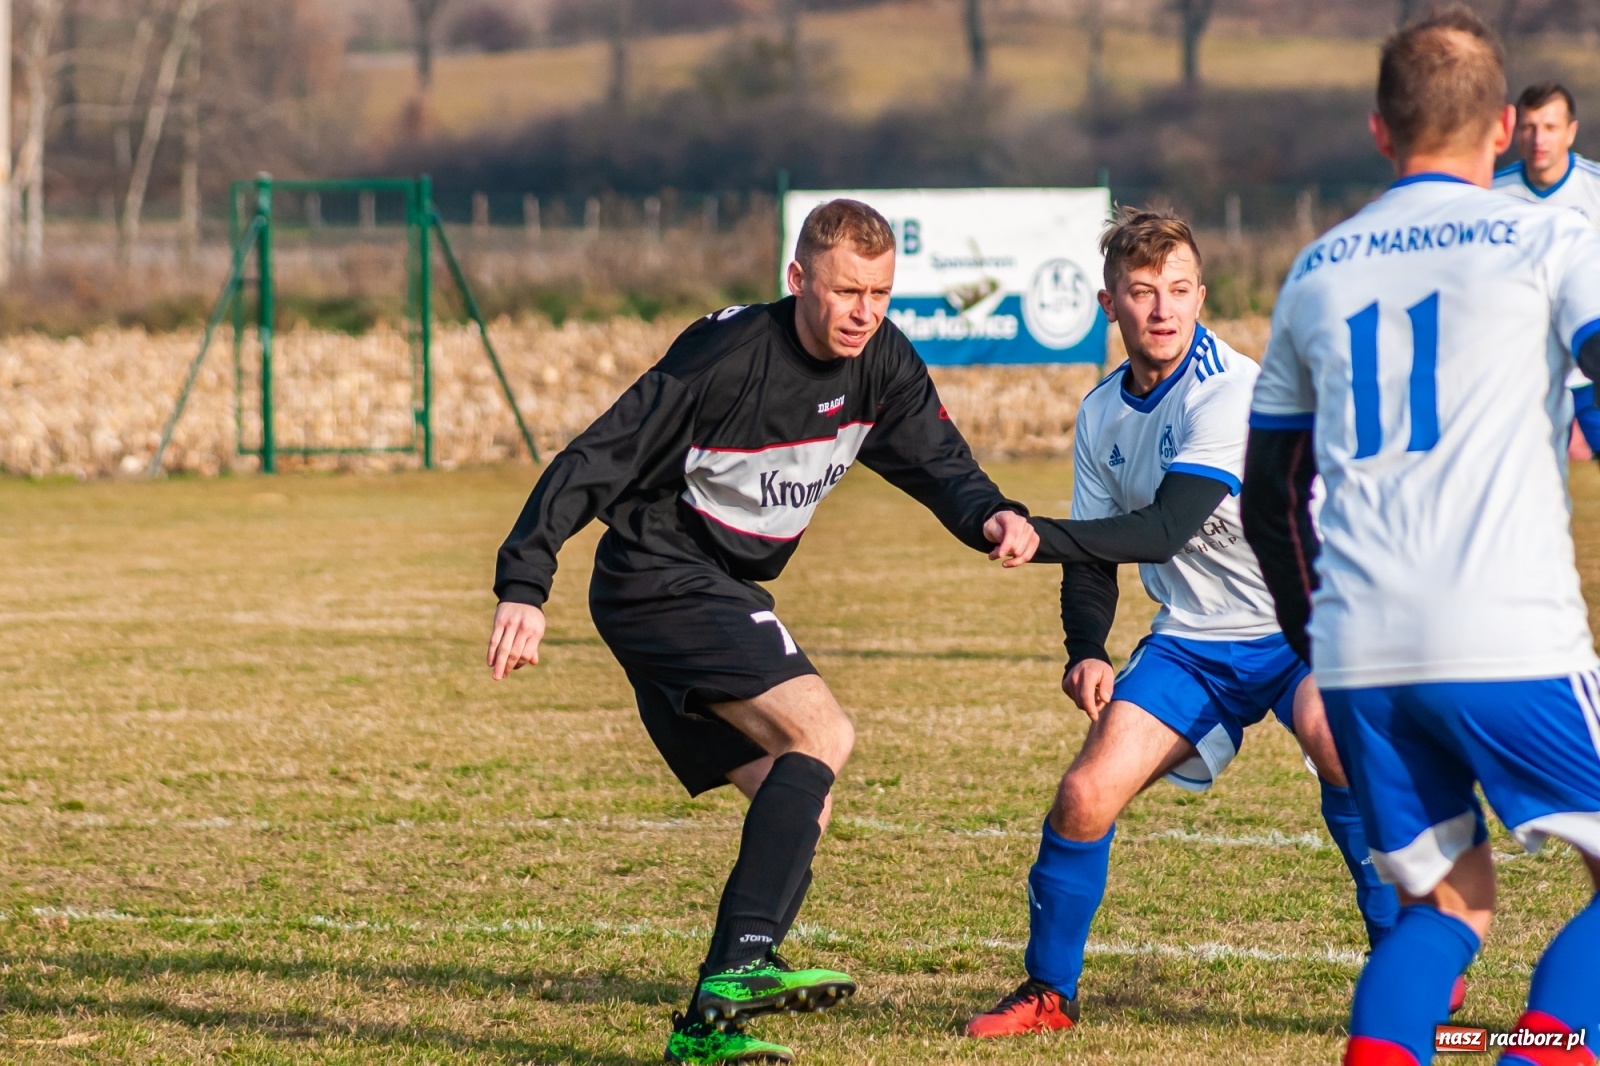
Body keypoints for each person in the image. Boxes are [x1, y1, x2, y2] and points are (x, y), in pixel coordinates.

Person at [485, 198, 1040, 1065]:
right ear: (798, 278)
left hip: (712, 587)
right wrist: (525, 583)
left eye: (880, 293)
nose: (864, 312)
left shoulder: (883, 361)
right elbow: (597, 455)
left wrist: (990, 515)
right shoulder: (727, 354)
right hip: (656, 576)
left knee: (803, 791)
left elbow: (940, 463)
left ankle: (707, 1030)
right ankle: (743, 964)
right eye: (846, 291)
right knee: (824, 733)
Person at [1242, 9, 1600, 1065]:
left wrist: (1316, 642)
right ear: (1503, 128)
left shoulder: (1316, 270)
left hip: (1363, 652)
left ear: (1379, 129)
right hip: (1507, 630)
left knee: (1448, 905)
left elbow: (1271, 493)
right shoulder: (1547, 236)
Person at [962, 205, 1409, 1041]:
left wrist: (1034, 534)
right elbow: (1097, 552)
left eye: (1178, 289)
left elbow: (1163, 529)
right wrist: (1086, 648)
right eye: (1142, 292)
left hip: (1307, 621)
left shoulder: (1232, 390)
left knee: (1337, 742)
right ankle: (1049, 994)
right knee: (1085, 795)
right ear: (1110, 306)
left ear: (1201, 295)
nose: (1162, 308)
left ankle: (1406, 961)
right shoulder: (1101, 413)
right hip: (1195, 641)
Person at [1493, 82, 1600, 459]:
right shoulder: (1489, 195)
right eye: (1529, 127)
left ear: (1571, 132)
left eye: (1550, 127)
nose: (1539, 139)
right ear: (1514, 130)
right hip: (1520, 372)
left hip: (1590, 363)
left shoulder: (1595, 187)